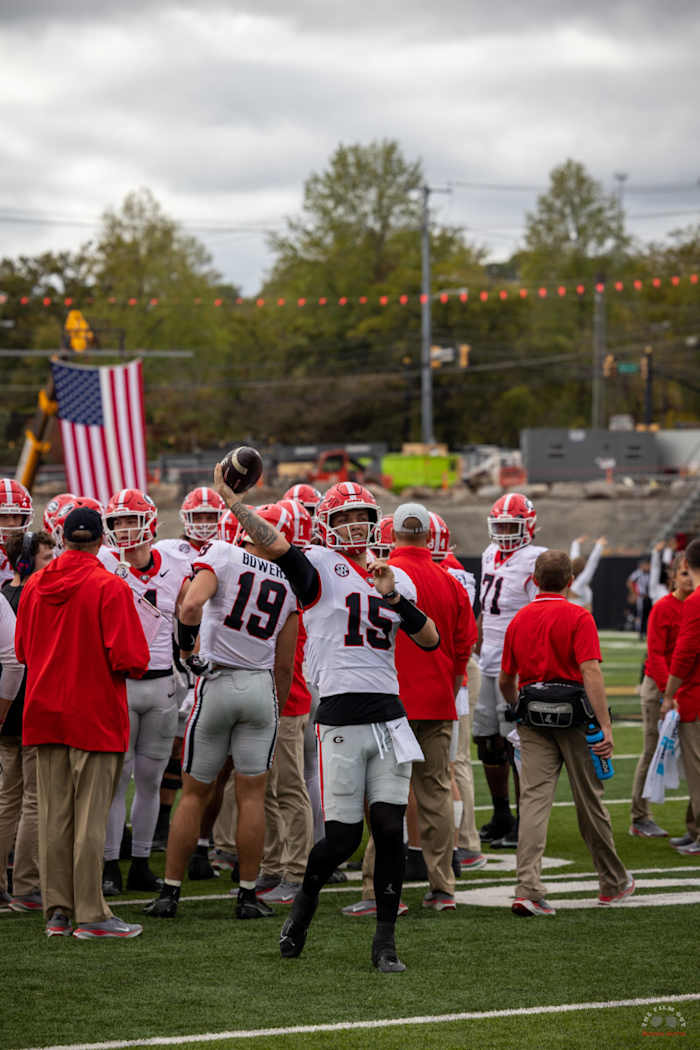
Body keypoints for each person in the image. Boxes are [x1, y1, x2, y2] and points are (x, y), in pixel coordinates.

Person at [213, 470, 438, 973]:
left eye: (362, 516)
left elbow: (431, 640)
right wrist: (232, 502)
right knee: (342, 838)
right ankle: (302, 911)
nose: (355, 525)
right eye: (345, 517)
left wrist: (395, 598)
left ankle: (385, 942)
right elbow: (274, 542)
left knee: (390, 830)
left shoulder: (394, 575)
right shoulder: (317, 565)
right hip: (340, 715)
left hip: (389, 716)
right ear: (327, 524)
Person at [144, 503, 299, 920]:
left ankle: (170, 892)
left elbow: (189, 606)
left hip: (217, 681)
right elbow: (285, 665)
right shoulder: (289, 580)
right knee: (252, 796)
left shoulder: (223, 553)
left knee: (195, 793)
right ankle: (248, 894)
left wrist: (185, 653)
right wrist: (275, 706)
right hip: (260, 687)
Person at [15, 506, 149, 939]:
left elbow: (22, 650)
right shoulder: (109, 586)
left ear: (63, 539)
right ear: (101, 540)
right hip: (94, 713)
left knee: (54, 817)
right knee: (90, 820)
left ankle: (57, 911)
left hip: (44, 711)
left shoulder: (35, 585)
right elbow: (131, 658)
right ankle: (91, 914)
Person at [499, 549, 633, 917]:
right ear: (571, 581)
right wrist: (605, 724)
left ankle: (528, 888)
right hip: (576, 722)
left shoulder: (519, 619)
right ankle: (611, 882)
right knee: (589, 801)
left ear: (534, 581)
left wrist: (516, 708)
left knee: (533, 803)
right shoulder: (579, 616)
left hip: (533, 721)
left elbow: (506, 679)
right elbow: (591, 671)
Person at [99, 488, 191, 894]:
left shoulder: (176, 563)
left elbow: (191, 618)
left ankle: (140, 863)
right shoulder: (104, 563)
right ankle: (109, 865)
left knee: (151, 780)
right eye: (117, 521)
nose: (123, 528)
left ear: (149, 522)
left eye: (130, 520)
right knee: (117, 780)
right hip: (118, 685)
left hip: (161, 685)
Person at [474, 493, 546, 849]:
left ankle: (524, 819)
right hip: (487, 659)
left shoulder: (535, 559)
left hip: (515, 665)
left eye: (510, 526)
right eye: (499, 526)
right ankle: (501, 813)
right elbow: (487, 607)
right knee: (488, 742)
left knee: (518, 744)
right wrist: (477, 638)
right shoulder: (489, 553)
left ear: (528, 526)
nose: (503, 533)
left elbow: (540, 613)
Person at [427, 512, 486, 873]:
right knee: (449, 764)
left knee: (454, 763)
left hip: (451, 675)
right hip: (454, 672)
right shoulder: (455, 571)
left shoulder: (444, 573)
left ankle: (465, 842)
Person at [0, 530, 55, 911]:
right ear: (26, 560)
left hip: (6, 705)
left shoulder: (4, 594)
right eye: (46, 556)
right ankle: (26, 885)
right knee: (35, 799)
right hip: (30, 703)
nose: (52, 563)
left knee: (8, 798)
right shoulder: (40, 595)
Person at [630, 554, 693, 838]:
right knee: (653, 749)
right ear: (673, 577)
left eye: (692, 573)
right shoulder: (663, 608)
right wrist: (670, 692)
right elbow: (655, 655)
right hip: (660, 686)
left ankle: (694, 825)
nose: (689, 579)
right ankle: (640, 817)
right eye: (683, 573)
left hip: (689, 688)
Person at [661, 537, 700, 856]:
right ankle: (693, 828)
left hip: (695, 696)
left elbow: (685, 653)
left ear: (685, 563)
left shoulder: (694, 601)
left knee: (696, 771)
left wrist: (668, 694)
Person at [0, 480, 33, 588]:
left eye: (16, 516)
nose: (11, 523)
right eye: (3, 516)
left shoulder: (35, 551)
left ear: (25, 518)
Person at [568, 536, 606, 612]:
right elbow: (592, 563)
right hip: (578, 617)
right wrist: (599, 546)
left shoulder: (575, 583)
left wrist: (575, 544)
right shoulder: (580, 583)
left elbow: (575, 560)